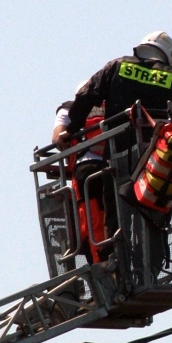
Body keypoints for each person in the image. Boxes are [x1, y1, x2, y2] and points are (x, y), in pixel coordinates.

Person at [55, 31, 172, 279]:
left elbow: (86, 96)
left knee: (117, 213)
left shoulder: (116, 67)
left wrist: (70, 130)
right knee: (154, 212)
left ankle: (118, 269)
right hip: (156, 160)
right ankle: (150, 271)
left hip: (118, 156)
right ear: (168, 56)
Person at [53, 86, 110, 264]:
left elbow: (57, 139)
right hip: (115, 166)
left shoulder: (68, 109)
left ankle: (101, 265)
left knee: (92, 224)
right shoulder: (110, 107)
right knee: (114, 219)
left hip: (86, 170)